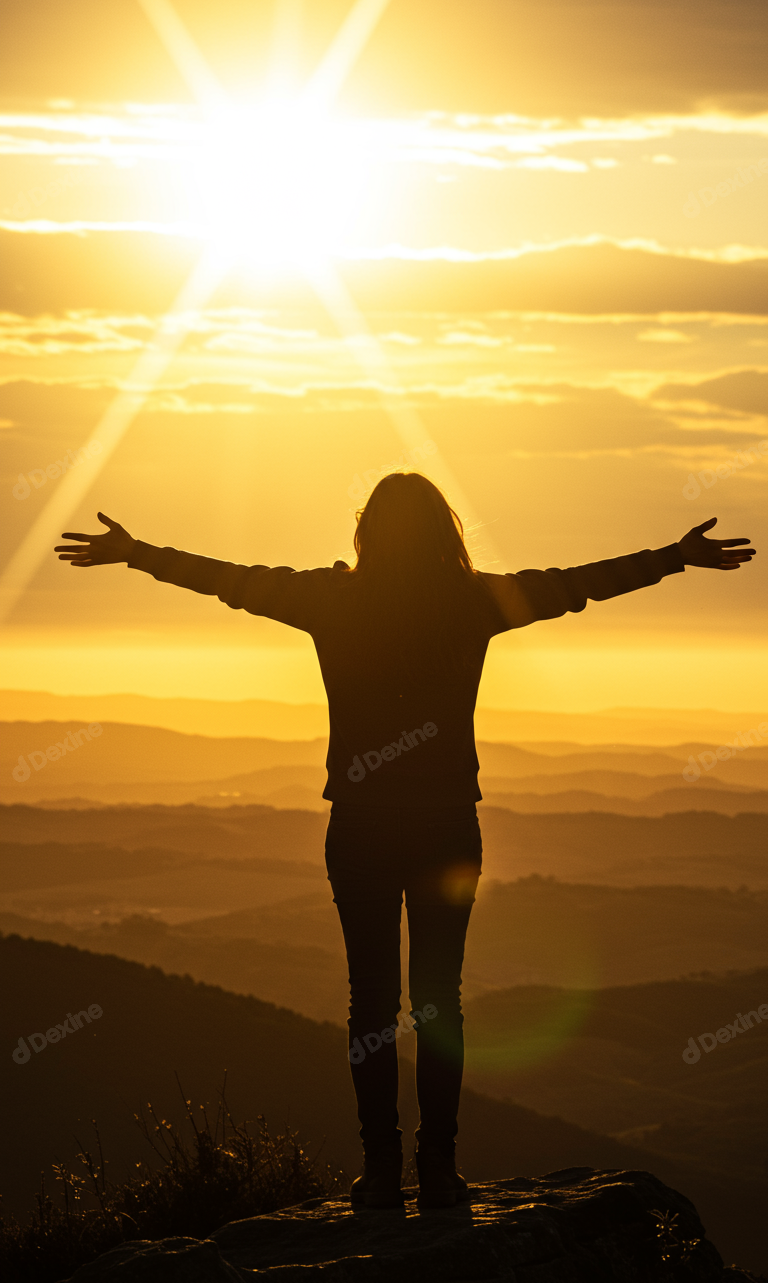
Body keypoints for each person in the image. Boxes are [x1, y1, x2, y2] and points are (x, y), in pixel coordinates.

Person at [55, 475, 755, 1209]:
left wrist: (137, 554)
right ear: (445, 530)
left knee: (370, 1006)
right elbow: (573, 586)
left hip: (359, 823)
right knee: (439, 1003)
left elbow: (230, 581)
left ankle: (382, 1169)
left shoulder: (331, 599)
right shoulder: (473, 600)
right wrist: (673, 557)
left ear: (367, 533)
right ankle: (441, 1169)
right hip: (446, 824)